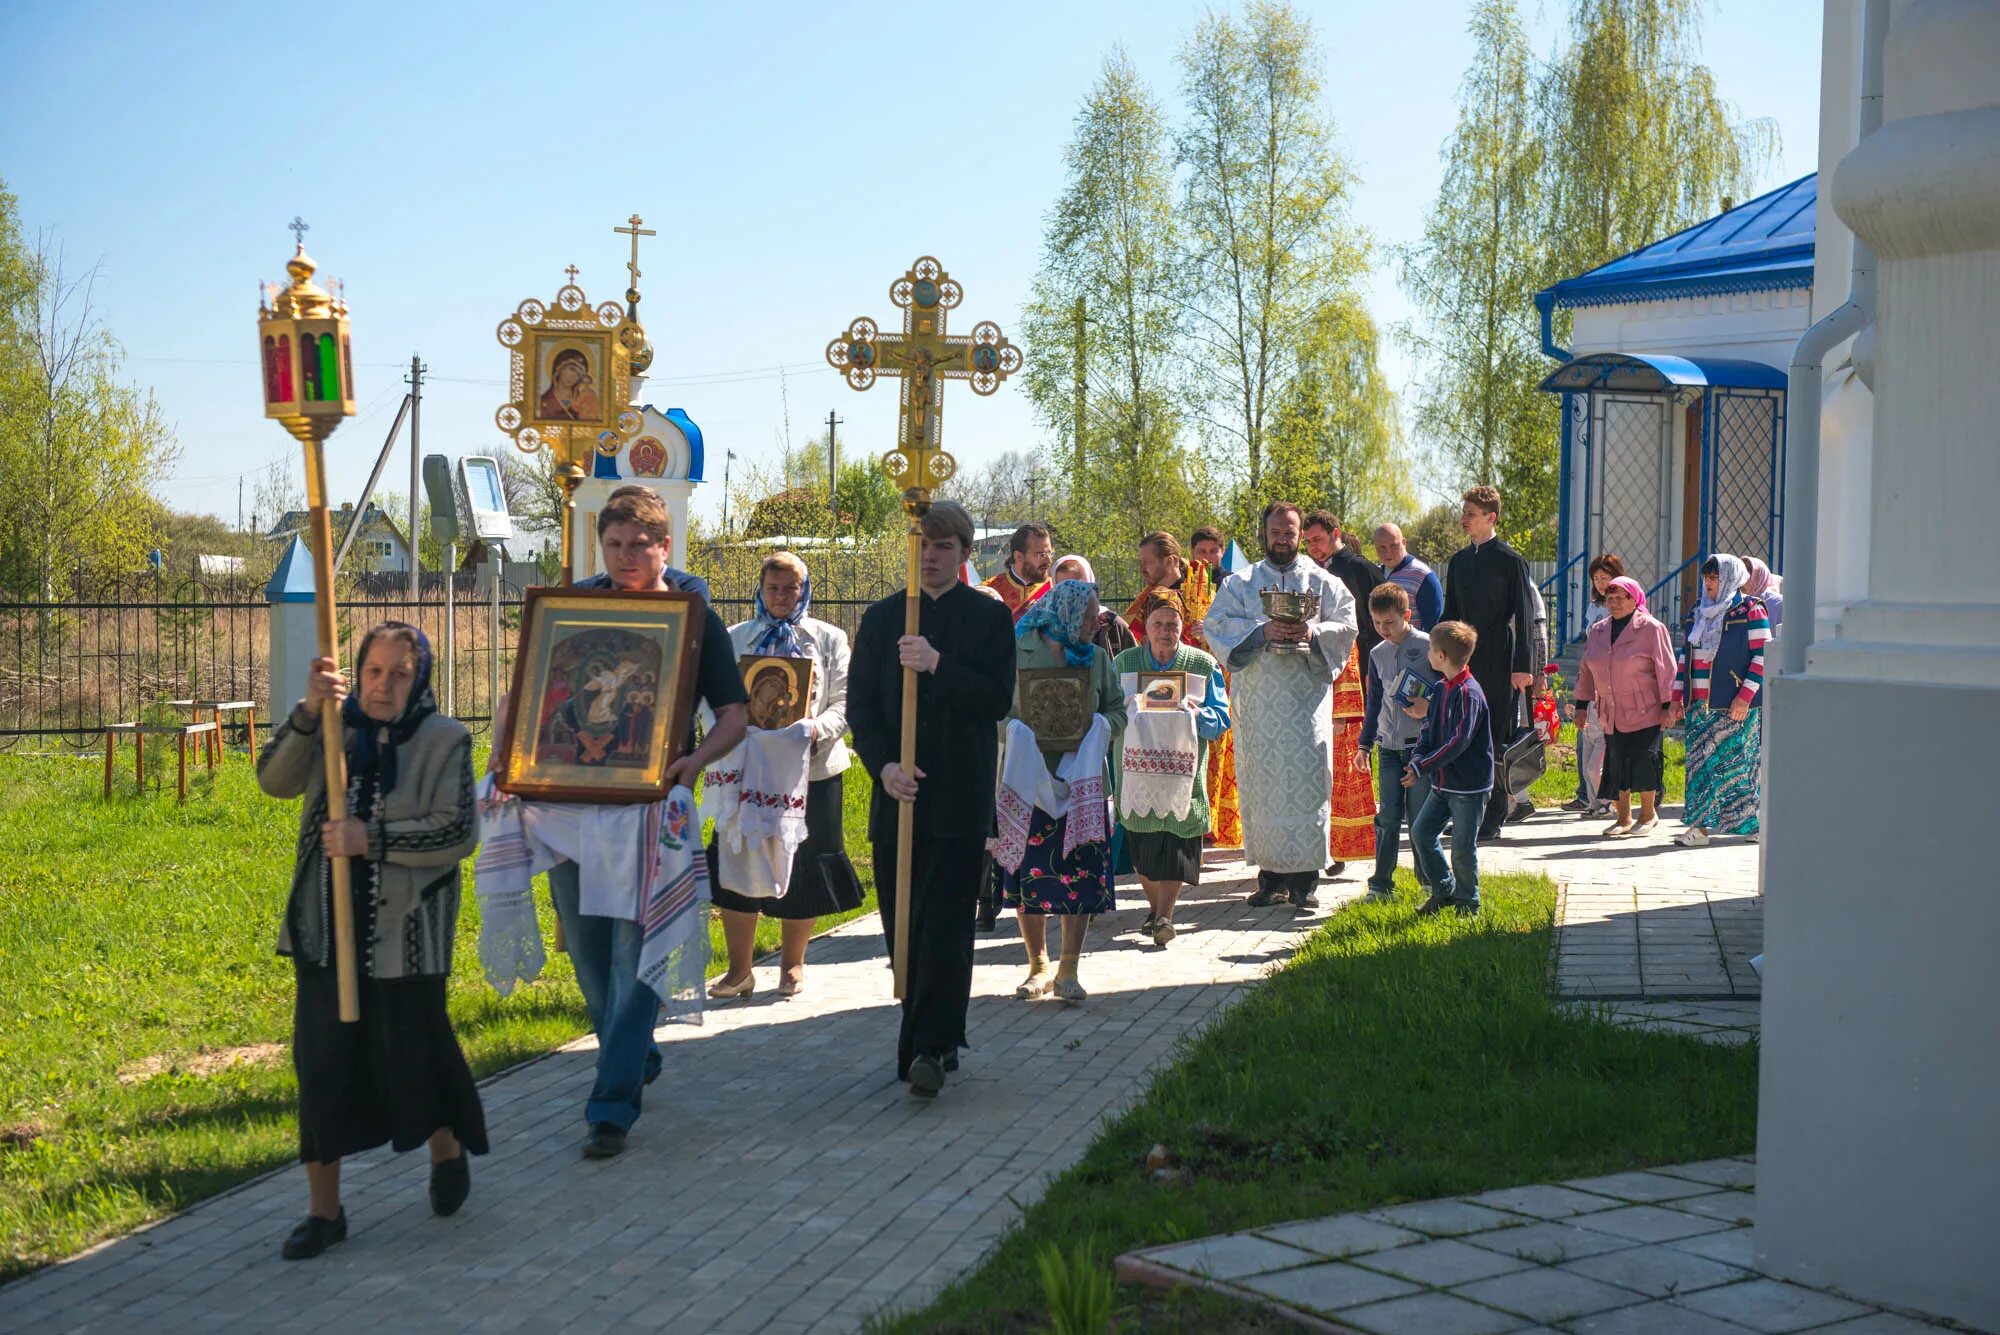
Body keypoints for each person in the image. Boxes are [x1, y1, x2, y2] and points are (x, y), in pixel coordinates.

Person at [524, 486, 749, 1159]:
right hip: (570, 805)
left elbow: (734, 713)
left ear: (664, 546)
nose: (625, 556)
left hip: (652, 808)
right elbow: (535, 694)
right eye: (615, 543)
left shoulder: (692, 615)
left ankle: (611, 1104)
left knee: (633, 952)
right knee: (591, 959)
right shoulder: (576, 607)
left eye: (638, 544)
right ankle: (632, 1051)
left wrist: (695, 761)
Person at [259, 622, 486, 1260]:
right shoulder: (334, 727)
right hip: (325, 933)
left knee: (414, 1056)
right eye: (373, 671)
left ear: (422, 680)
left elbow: (458, 832)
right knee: (322, 1066)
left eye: (399, 674)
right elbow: (272, 780)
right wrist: (308, 711)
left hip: (407, 936)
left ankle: (445, 1146)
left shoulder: (445, 739)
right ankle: (324, 1212)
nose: (383, 686)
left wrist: (372, 839)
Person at [849, 500, 1015, 1098]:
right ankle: (927, 1036)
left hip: (958, 794)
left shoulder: (989, 618)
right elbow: (861, 709)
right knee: (903, 927)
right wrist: (884, 766)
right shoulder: (882, 618)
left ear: (965, 553)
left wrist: (938, 663)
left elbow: (997, 698)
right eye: (922, 544)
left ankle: (931, 1046)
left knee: (947, 924)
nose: (930, 555)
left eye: (943, 546)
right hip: (899, 793)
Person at [708, 552, 861, 1000]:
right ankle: (740, 969)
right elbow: (714, 700)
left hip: (811, 770)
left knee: (807, 861)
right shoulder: (736, 638)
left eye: (790, 588)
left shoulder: (829, 638)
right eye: (773, 587)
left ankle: (793, 964)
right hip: (746, 769)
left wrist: (815, 729)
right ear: (761, 588)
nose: (780, 596)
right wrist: (731, 732)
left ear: (804, 589)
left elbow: (843, 702)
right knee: (739, 857)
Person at [1203, 501, 1359, 910]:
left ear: (1299, 533)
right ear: (1265, 533)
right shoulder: (1241, 582)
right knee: (1264, 788)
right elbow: (1214, 625)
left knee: (1307, 788)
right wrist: (1261, 631)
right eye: (1275, 532)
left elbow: (1347, 624)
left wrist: (1311, 631)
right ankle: (1270, 879)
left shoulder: (1323, 582)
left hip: (1305, 703)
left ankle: (1305, 882)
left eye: (1290, 532)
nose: (1282, 539)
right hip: (1258, 708)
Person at [997, 580, 1125, 1002]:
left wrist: (1101, 730)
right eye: (1088, 616)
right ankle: (1037, 965)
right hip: (1029, 779)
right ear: (1067, 613)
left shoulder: (1096, 657)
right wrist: (1015, 731)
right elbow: (995, 710)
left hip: (1082, 782)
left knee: (1081, 873)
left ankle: (1069, 966)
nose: (1094, 623)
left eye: (1095, 615)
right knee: (1028, 874)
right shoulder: (1018, 649)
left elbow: (1116, 709)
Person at [1112, 591, 1230, 945]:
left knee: (1178, 847)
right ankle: (1155, 909)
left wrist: (1197, 714)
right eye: (1158, 624)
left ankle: (1165, 915)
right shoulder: (1124, 664)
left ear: (1183, 627)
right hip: (1136, 776)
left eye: (1172, 625)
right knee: (1143, 851)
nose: (1165, 632)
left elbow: (1220, 719)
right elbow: (1108, 713)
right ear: (1145, 627)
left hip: (1183, 777)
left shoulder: (1201, 664)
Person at [1440, 486, 1537, 841]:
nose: (1464, 519)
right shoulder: (1459, 561)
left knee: (1493, 737)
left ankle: (1494, 813)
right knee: (1461, 734)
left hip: (1498, 657)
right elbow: (1449, 613)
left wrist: (1523, 665)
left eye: (1470, 514)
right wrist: (1441, 655)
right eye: (1464, 512)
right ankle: (1467, 809)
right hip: (1463, 662)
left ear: (1490, 517)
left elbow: (1525, 617)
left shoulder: (1511, 561)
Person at [1302, 510, 1384, 874]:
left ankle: (1347, 843)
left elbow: (1377, 623)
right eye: (1308, 542)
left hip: (1358, 672)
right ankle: (1322, 842)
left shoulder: (1360, 569)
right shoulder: (1308, 571)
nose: (1312, 547)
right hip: (1316, 675)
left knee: (1352, 759)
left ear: (1335, 534)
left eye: (1317, 539)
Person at [1673, 555, 1771, 847]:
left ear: (1729, 578)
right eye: (1706, 578)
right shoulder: (1699, 612)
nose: (1709, 584)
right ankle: (1700, 828)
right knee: (1699, 767)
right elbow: (1684, 656)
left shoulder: (1750, 610)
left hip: (1734, 705)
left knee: (1737, 764)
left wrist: (1745, 697)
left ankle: (1753, 824)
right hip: (1699, 705)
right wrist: (1677, 696)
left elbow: (1763, 656)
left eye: (1714, 578)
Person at [1573, 576, 1677, 838]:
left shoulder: (1652, 629)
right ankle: (1623, 817)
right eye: (1610, 598)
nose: (1615, 603)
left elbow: (1667, 670)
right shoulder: (1598, 631)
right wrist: (1581, 705)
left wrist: (1670, 706)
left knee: (1643, 760)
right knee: (1616, 762)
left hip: (1646, 709)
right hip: (1611, 710)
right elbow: (1586, 669)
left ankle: (1648, 814)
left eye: (1621, 597)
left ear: (1635, 599)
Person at [1357, 583, 1439, 902]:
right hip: (1389, 747)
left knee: (1419, 817)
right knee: (1388, 816)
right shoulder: (1377, 653)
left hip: (1420, 747)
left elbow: (1449, 690)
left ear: (1407, 615)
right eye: (1377, 623)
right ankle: (1381, 884)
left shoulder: (1429, 645)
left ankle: (1429, 881)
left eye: (1389, 622)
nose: (1383, 629)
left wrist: (1428, 707)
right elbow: (1374, 701)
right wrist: (1365, 744)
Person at [1407, 621, 1493, 916]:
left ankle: (1468, 902)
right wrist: (1418, 758)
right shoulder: (1442, 688)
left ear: (1441, 656)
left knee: (1462, 849)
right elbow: (1429, 729)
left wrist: (1424, 766)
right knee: (1421, 833)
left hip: (1468, 787)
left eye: (1431, 649)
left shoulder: (1470, 693)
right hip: (1442, 785)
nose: (1428, 654)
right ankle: (1444, 889)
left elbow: (1459, 742)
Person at [1564, 554, 1626, 817]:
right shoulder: (1594, 607)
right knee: (1587, 738)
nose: (1601, 584)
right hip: (1592, 674)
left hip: (1612, 681)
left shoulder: (1623, 607)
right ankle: (1593, 800)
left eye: (1605, 578)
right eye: (1596, 579)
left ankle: (1608, 799)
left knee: (1603, 744)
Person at [1055, 554, 1136, 657]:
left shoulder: (1113, 626)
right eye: (1063, 587)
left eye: (1078, 586)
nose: (1072, 593)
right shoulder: (1049, 628)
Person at [1372, 523, 1443, 631]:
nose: (1388, 552)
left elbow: (1433, 623)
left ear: (1404, 542)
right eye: (1382, 547)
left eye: (1393, 545)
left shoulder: (1423, 575)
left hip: (1413, 646)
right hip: (1382, 646)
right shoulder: (1374, 573)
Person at [983, 522, 1053, 620]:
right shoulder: (988, 592)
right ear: (1018, 556)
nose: (1048, 560)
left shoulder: (1054, 588)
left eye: (1050, 553)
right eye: (1041, 554)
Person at [539, 348, 600, 421]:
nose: (573, 376)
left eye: (578, 374)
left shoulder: (585, 400)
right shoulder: (542, 402)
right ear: (558, 369)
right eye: (572, 369)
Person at [1741, 556, 1784, 631]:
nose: (1745, 577)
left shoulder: (1779, 603)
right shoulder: (1733, 601)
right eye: (1741, 572)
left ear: (1760, 575)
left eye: (1750, 571)